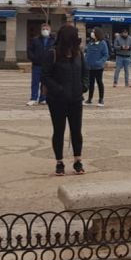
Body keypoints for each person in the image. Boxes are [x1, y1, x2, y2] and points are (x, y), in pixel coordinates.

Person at [42, 24, 88, 177]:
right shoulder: (52, 54)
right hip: (57, 100)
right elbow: (45, 76)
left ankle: (78, 160)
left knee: (76, 131)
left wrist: (84, 86)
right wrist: (58, 90)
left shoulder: (79, 54)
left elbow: (85, 72)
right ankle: (59, 162)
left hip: (75, 99)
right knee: (59, 131)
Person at [27, 24, 53, 105]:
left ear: (50, 30)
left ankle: (43, 98)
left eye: (47, 29)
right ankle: (33, 98)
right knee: (35, 82)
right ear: (41, 30)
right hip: (37, 65)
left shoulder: (53, 40)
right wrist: (34, 58)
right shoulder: (35, 40)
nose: (45, 30)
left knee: (45, 83)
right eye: (43, 29)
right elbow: (30, 51)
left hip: (48, 65)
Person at [83, 27, 109, 107]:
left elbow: (105, 55)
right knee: (91, 83)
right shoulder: (90, 43)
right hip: (89, 67)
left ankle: (101, 99)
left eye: (93, 32)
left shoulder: (102, 43)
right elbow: (87, 54)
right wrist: (85, 62)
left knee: (99, 82)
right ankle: (89, 99)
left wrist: (100, 62)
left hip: (98, 67)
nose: (92, 33)